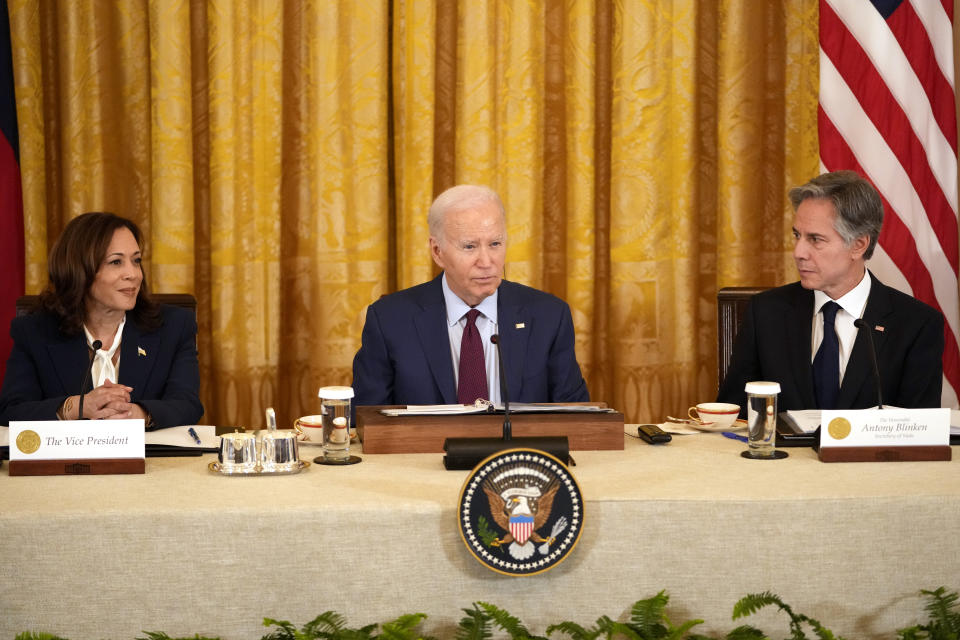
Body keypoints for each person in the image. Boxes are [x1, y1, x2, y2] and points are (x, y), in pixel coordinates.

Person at [717, 170, 944, 414]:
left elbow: (920, 433)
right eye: (797, 235)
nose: (798, 252)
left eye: (815, 239)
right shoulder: (765, 312)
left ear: (858, 245)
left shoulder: (916, 324)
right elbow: (735, 415)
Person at [352, 184, 589, 406]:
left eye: (495, 244)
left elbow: (576, 417)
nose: (486, 262)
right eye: (469, 247)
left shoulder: (548, 316)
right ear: (437, 252)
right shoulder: (390, 320)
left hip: (517, 451)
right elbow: (366, 421)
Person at [0, 212, 204, 428]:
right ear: (80, 270)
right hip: (69, 461)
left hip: (150, 461)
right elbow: (10, 411)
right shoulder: (35, 331)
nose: (133, 274)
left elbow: (187, 405)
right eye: (116, 262)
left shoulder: (174, 325)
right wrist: (76, 407)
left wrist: (137, 414)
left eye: (136, 261)